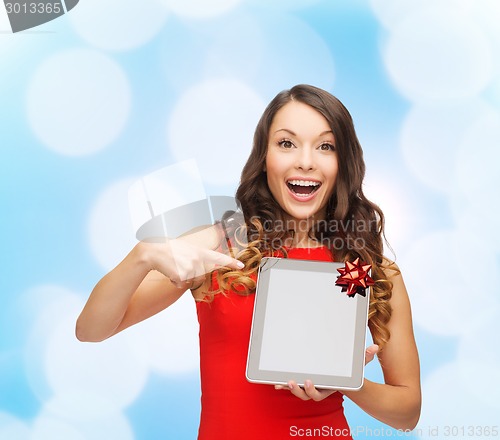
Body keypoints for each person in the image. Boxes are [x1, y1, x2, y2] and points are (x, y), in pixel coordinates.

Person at [76, 84, 421, 439]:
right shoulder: (218, 248)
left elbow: (407, 413)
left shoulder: (365, 269)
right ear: (264, 156)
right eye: (287, 143)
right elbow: (91, 330)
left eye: (325, 146)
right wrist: (143, 255)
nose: (305, 160)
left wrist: (346, 382)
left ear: (342, 163)